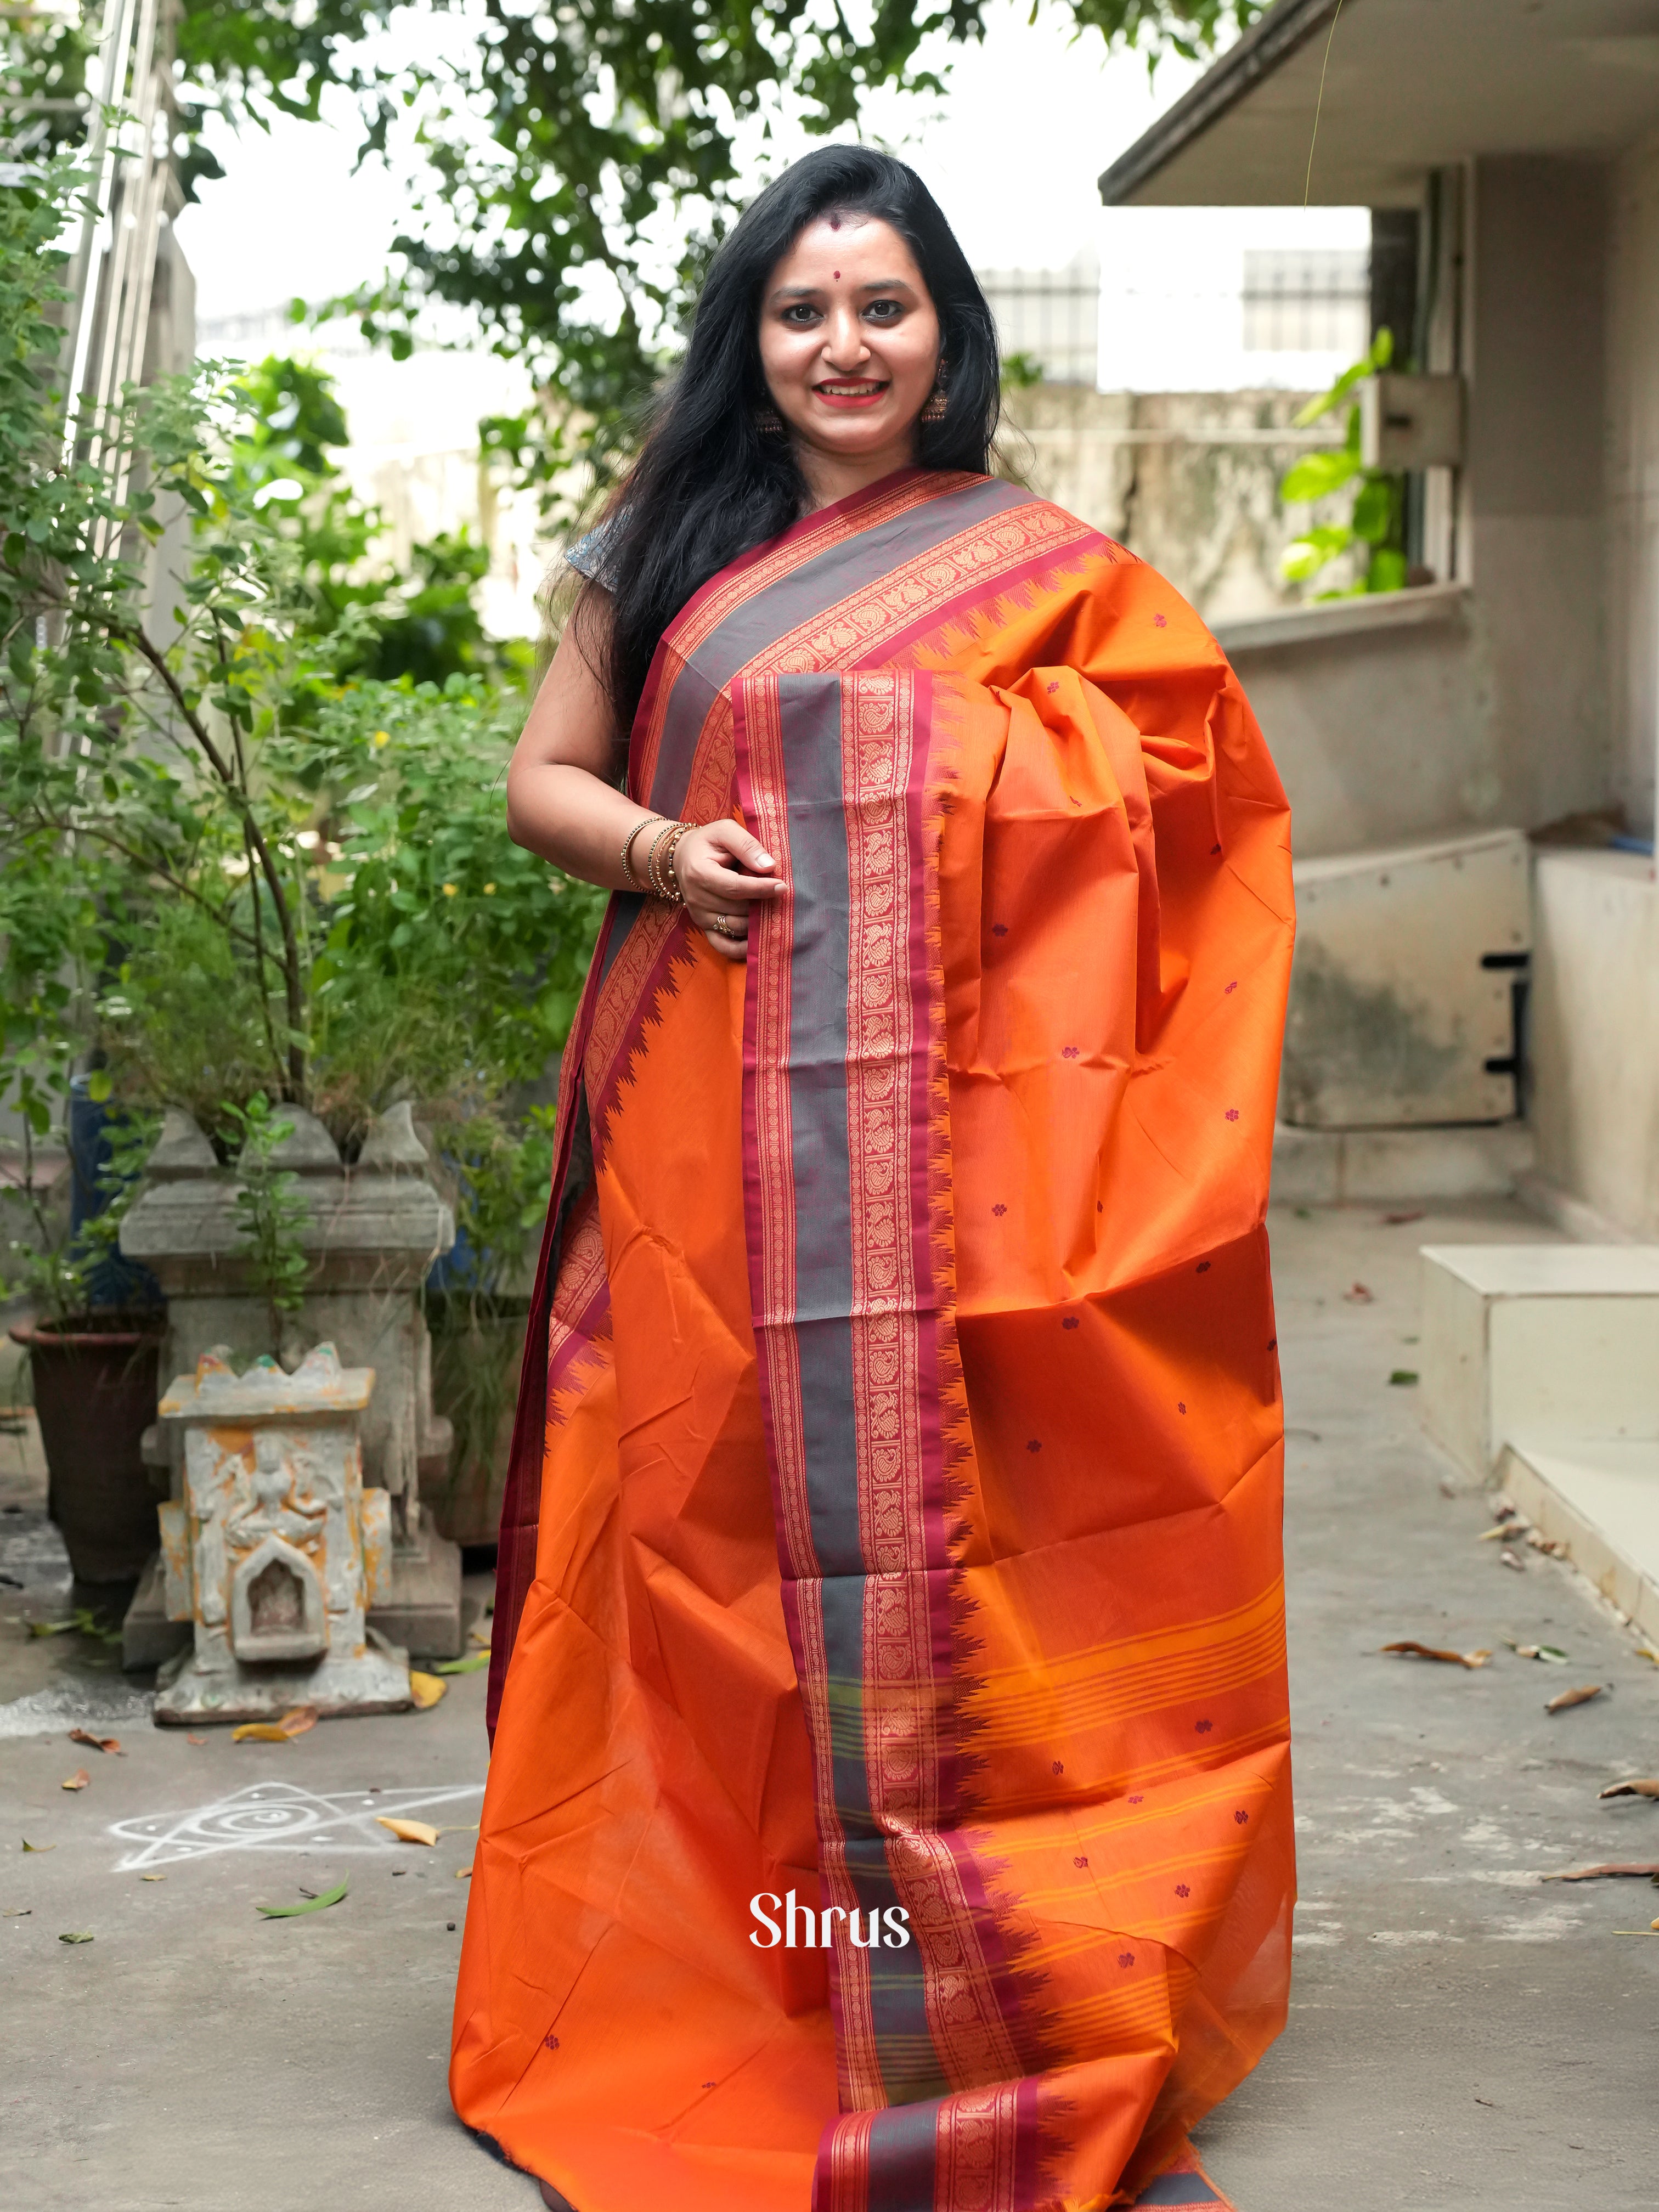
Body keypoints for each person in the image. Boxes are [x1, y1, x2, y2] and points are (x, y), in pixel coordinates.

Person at [451, 144, 1295, 2212]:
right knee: (706, 1521)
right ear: (755, 341)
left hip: (949, 1175)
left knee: (946, 1539)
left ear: (946, 338)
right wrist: (672, 852)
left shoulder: (1042, 565)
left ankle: (961, 1961)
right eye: (804, 310)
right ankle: (744, 1957)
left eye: (885, 307)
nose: (846, 344)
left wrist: (932, 778)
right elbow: (540, 782)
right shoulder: (659, 542)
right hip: (702, 1115)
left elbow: (1186, 786)